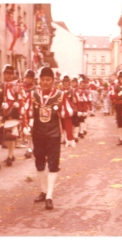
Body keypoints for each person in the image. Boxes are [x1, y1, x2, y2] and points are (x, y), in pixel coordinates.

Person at [23, 67, 76, 210]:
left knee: (53, 164)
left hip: (53, 135)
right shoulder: (33, 95)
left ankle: (49, 196)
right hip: (38, 134)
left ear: (53, 81)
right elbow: (27, 114)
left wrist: (70, 137)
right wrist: (26, 126)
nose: (45, 82)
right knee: (39, 163)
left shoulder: (60, 95)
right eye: (43, 79)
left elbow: (66, 117)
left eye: (48, 80)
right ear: (39, 80)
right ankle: (43, 190)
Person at [0, 64, 23, 166]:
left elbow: (22, 98)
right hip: (3, 113)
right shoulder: (1, 85)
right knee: (4, 136)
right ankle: (10, 154)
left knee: (11, 136)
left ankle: (10, 155)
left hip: (13, 113)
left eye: (10, 74)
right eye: (7, 74)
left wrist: (18, 104)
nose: (9, 76)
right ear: (4, 74)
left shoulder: (17, 86)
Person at [22, 69, 37, 158]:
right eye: (27, 77)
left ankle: (30, 149)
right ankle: (29, 148)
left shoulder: (35, 88)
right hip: (24, 112)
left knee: (31, 131)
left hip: (32, 112)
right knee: (26, 131)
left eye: (30, 78)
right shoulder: (21, 87)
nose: (28, 79)